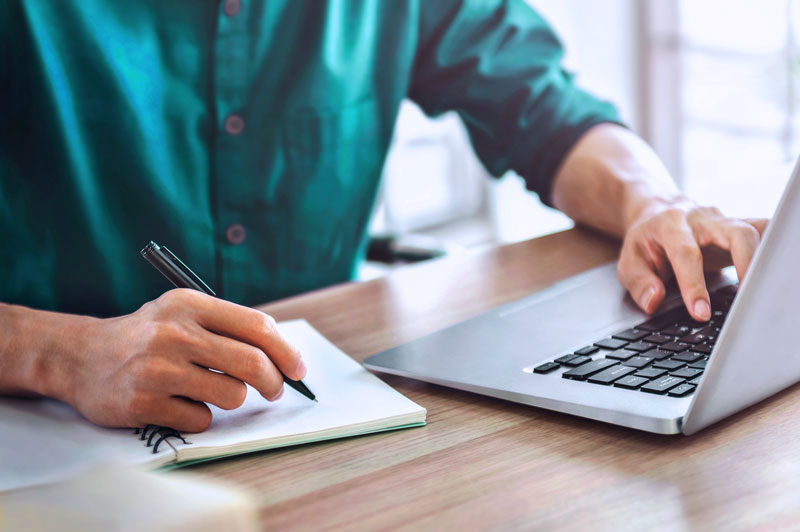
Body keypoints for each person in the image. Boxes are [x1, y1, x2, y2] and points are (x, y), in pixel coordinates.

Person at [0, 1, 766, 432]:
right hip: (53, 440)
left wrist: (653, 202)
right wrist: (56, 353)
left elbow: (548, 112)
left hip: (313, 425)